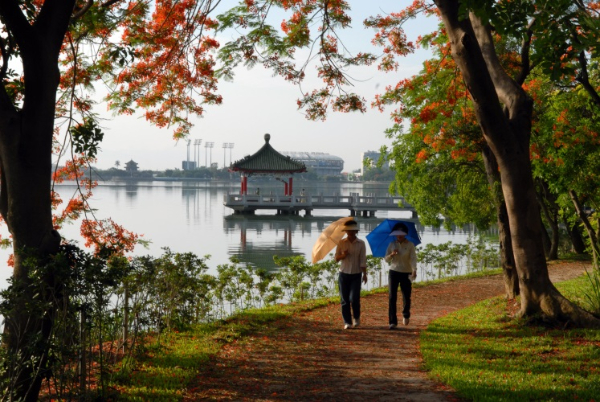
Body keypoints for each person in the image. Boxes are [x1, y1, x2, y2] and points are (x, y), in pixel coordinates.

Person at [335, 220, 367, 330]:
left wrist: (365, 274)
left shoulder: (361, 243)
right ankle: (347, 321)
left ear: (356, 231)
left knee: (354, 298)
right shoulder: (341, 243)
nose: (351, 233)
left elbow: (363, 259)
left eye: (353, 231)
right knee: (344, 299)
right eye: (348, 231)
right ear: (346, 232)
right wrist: (343, 255)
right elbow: (336, 259)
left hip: (356, 274)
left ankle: (356, 317)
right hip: (343, 273)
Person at [384, 222, 417, 329]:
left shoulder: (410, 245)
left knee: (406, 296)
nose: (399, 236)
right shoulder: (392, 245)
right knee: (392, 296)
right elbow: (386, 259)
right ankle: (392, 321)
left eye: (401, 234)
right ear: (395, 235)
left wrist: (414, 270)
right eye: (397, 234)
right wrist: (392, 254)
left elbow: (413, 259)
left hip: (406, 272)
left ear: (405, 234)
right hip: (393, 271)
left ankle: (406, 314)